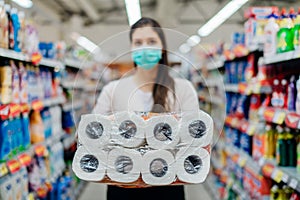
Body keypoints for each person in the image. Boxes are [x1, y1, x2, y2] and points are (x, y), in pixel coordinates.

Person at [93, 17, 199, 200]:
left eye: (151, 42)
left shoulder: (182, 89)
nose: (145, 48)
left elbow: (194, 139)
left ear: (162, 47)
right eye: (138, 43)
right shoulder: (112, 90)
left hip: (168, 185)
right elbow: (92, 134)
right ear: (132, 48)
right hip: (123, 183)